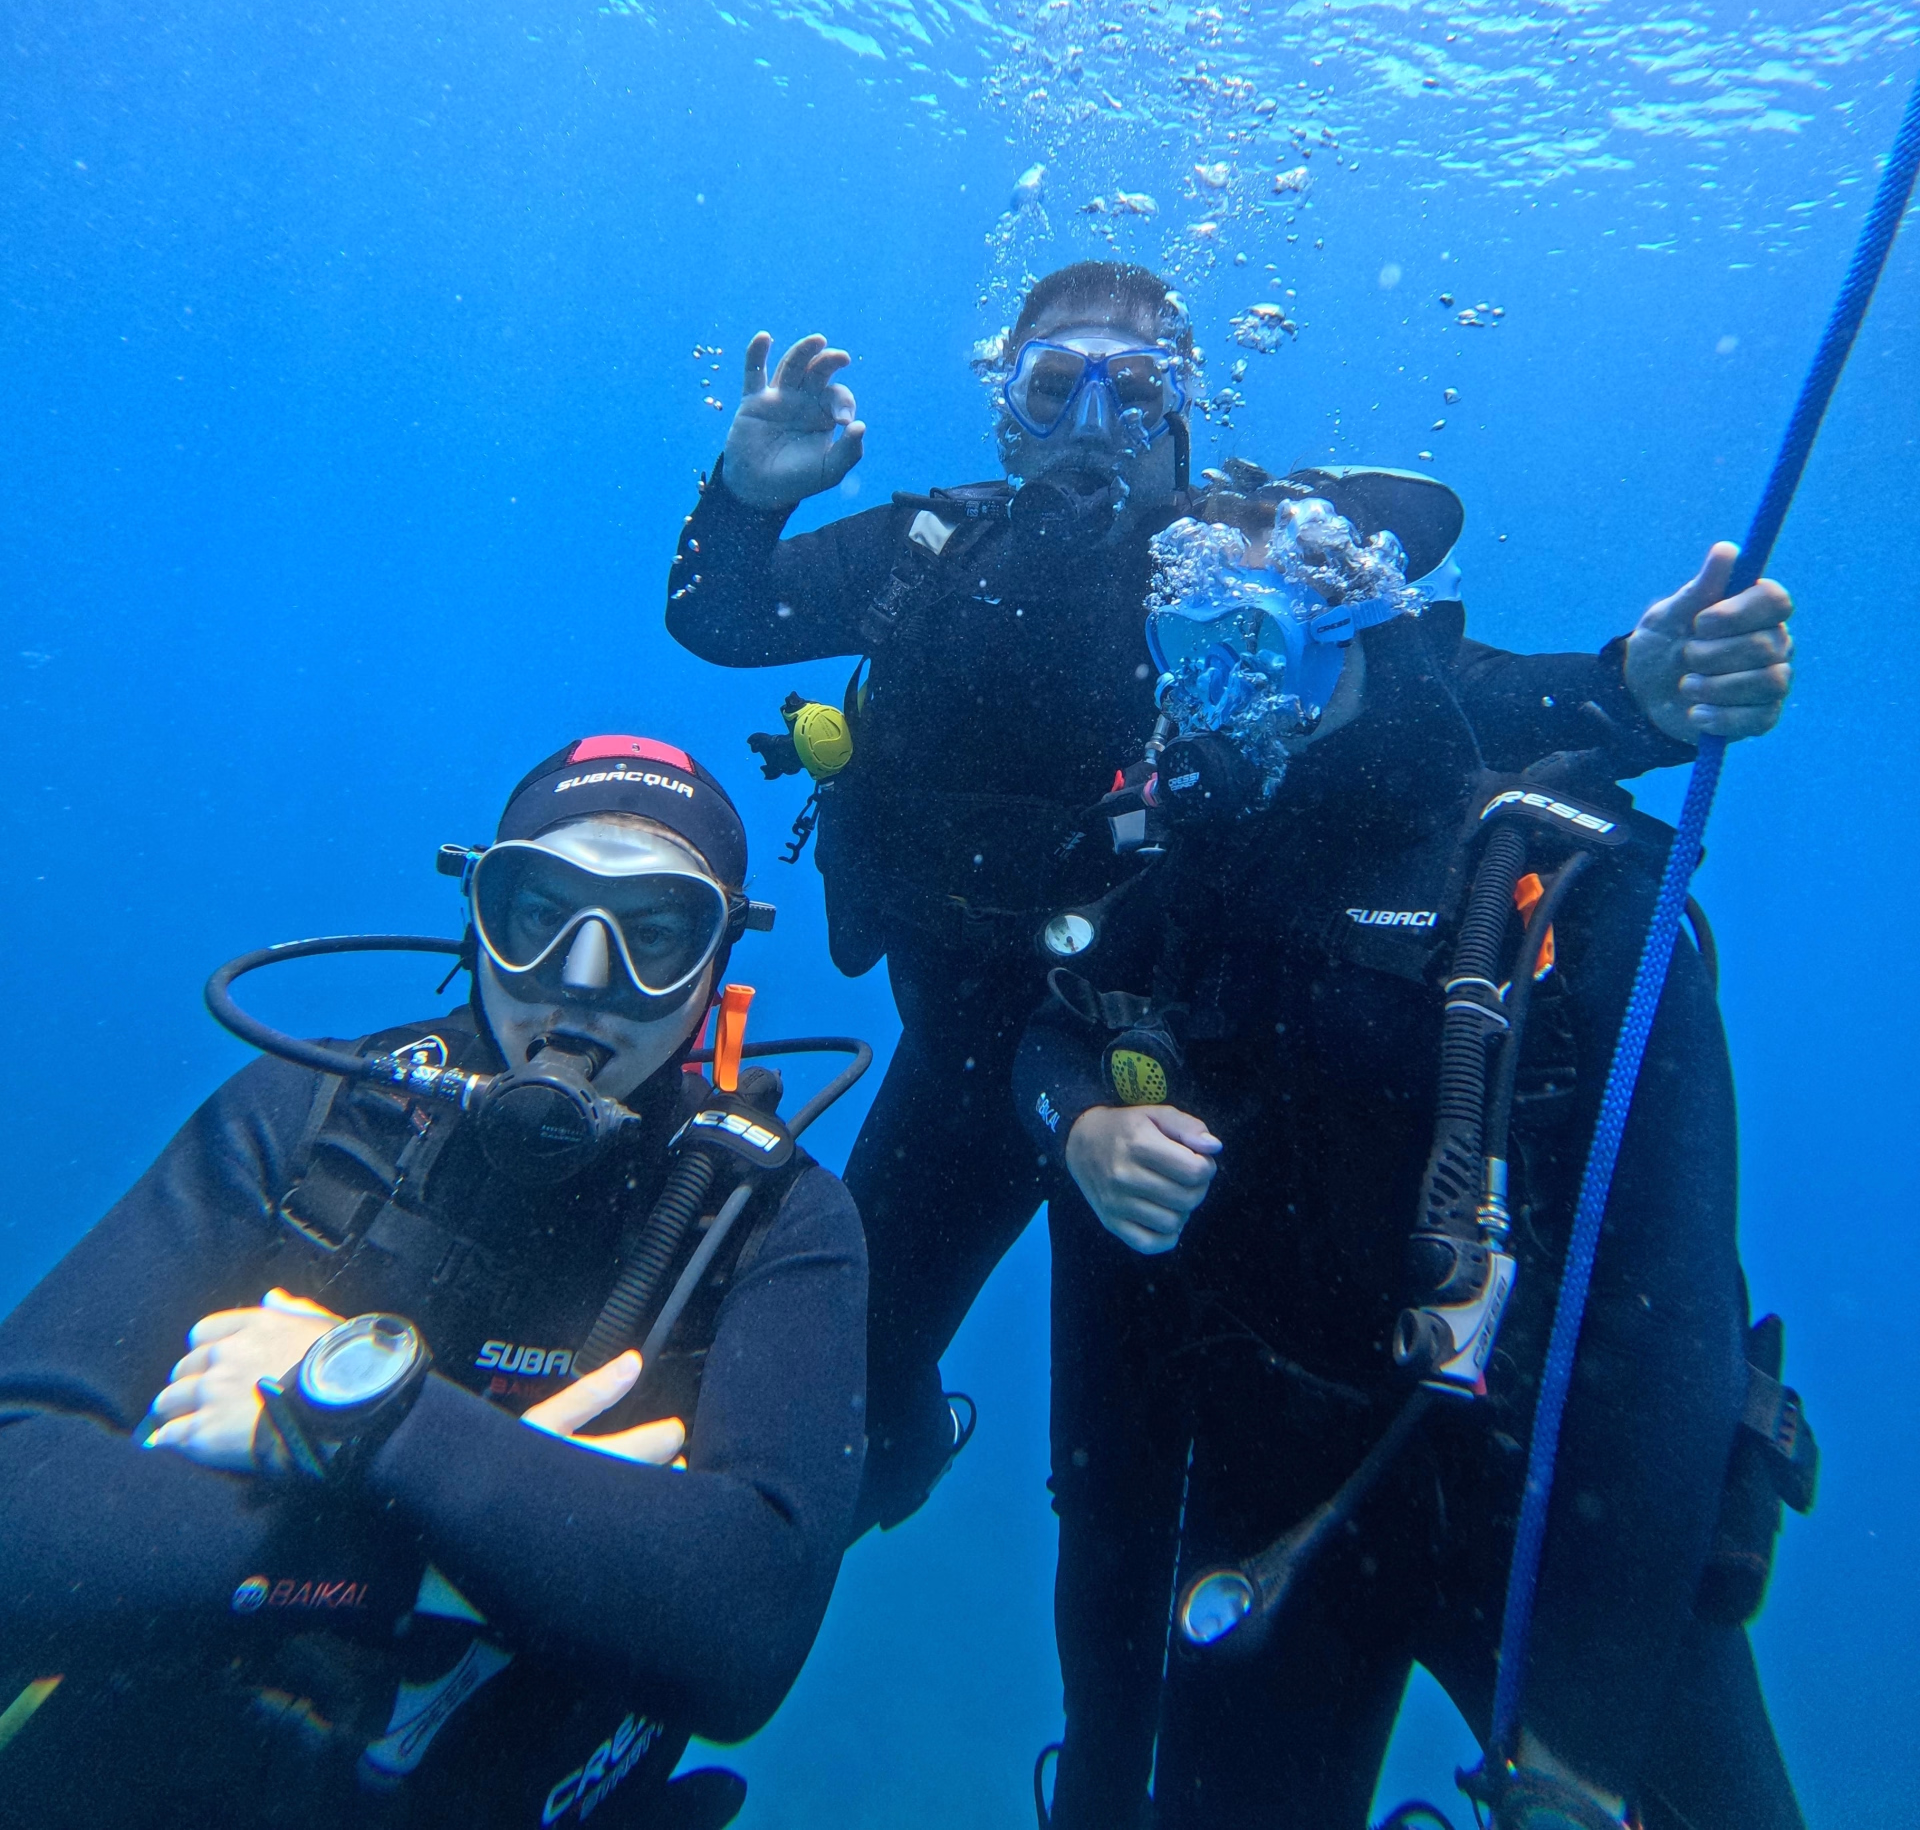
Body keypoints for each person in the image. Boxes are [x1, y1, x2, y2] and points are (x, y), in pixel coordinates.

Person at [664, 259, 1795, 1529]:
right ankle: (899, 1454)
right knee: (847, 1393)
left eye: (1133, 390)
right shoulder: (926, 555)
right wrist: (746, 493)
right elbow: (719, 614)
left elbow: (1447, 700)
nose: (1091, 425)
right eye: (1051, 387)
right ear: (1005, 409)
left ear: (1183, 406)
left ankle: (1137, 1697)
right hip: (967, 1064)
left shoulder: (1236, 577)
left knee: (1132, 1489)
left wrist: (1626, 693)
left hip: (1174, 1074)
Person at [1011, 486, 1811, 1830]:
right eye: (1185, 651)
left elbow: (1670, 1331)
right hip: (1280, 1472)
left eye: (1255, 647)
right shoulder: (1185, 855)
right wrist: (1084, 1124)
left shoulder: (1574, 888)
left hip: (1562, 1497)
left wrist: (1582, 1744)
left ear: (1362, 634)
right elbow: (1049, 1031)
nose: (1218, 698)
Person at [0, 734, 867, 1830]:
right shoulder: (311, 1117)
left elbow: (745, 1632)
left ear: (716, 966)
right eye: (537, 910)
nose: (584, 977)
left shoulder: (766, 1215)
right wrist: (442, 1554)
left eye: (655, 931)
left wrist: (355, 1418)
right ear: (477, 913)